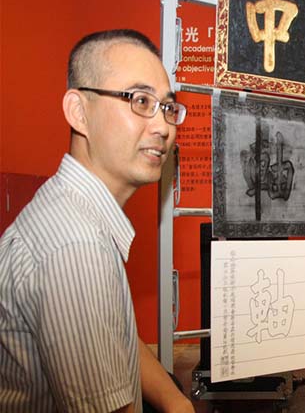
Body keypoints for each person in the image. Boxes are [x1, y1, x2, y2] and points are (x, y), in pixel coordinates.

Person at [0, 29, 194, 412]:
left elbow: (114, 334)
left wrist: (175, 402)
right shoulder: (76, 246)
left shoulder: (74, 210)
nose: (163, 127)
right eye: (140, 101)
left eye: (168, 107)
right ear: (79, 112)